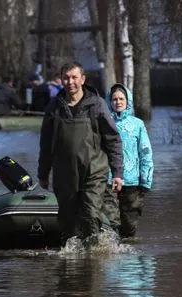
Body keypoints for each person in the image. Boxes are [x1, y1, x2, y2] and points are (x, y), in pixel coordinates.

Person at [37, 61, 124, 246]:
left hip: (94, 169)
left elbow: (112, 139)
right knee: (67, 219)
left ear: (82, 79)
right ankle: (72, 257)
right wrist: (43, 174)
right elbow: (45, 143)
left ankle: (94, 255)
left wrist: (117, 173)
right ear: (61, 80)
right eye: (66, 78)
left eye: (74, 77)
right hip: (64, 172)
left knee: (90, 212)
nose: (70, 82)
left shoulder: (97, 104)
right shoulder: (54, 106)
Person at [103, 83, 154, 238]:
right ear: (109, 102)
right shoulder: (103, 123)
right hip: (108, 180)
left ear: (128, 101)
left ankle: (129, 259)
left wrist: (145, 181)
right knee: (111, 221)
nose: (118, 102)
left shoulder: (137, 124)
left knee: (130, 225)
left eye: (121, 99)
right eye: (114, 99)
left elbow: (145, 152)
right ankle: (113, 256)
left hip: (132, 182)